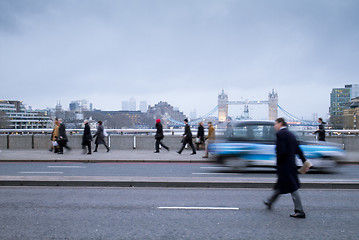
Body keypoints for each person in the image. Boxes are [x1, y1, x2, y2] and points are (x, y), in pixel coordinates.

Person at [264, 117, 307, 218]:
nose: (274, 126)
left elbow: (281, 151)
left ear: (280, 123)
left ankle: (300, 210)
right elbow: (298, 150)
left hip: (285, 165)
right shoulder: (291, 134)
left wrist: (278, 164)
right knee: (281, 184)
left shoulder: (280, 134)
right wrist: (305, 162)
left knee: (292, 187)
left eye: (275, 124)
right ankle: (270, 201)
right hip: (291, 164)